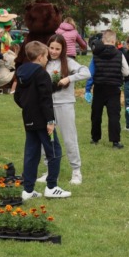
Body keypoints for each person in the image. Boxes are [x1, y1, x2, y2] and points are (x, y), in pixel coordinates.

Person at [12, 41, 63, 201]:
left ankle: (28, 190)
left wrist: (27, 108)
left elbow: (17, 96)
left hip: (28, 119)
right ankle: (52, 187)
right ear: (40, 57)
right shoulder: (41, 74)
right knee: (54, 151)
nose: (47, 59)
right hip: (43, 121)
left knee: (31, 153)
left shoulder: (21, 71)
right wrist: (50, 120)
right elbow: (45, 99)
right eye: (46, 56)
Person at [41, 33, 89, 187]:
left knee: (69, 138)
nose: (54, 51)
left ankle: (76, 170)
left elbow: (86, 72)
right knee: (47, 139)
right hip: (47, 106)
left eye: (57, 49)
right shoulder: (44, 63)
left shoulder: (68, 62)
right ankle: (48, 169)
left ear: (63, 50)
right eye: (51, 48)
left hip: (65, 104)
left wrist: (69, 78)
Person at [88, 30, 129, 149]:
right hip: (113, 88)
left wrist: (88, 87)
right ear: (114, 41)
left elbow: (91, 71)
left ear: (103, 40)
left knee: (96, 114)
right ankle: (115, 141)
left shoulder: (96, 54)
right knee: (114, 115)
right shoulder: (119, 54)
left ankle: (95, 138)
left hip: (99, 87)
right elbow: (126, 72)